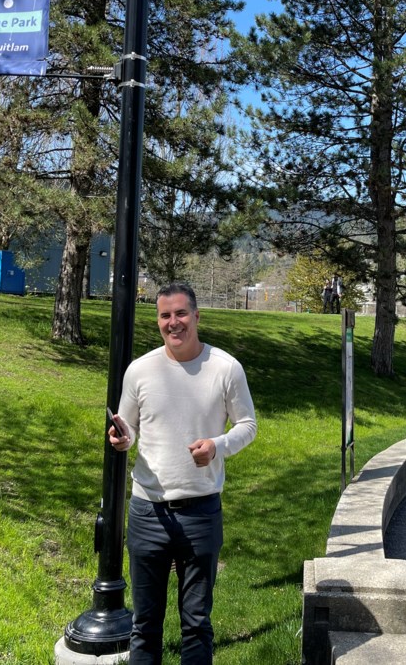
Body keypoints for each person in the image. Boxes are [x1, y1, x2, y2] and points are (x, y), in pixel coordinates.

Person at [108, 282, 257, 665]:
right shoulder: (140, 370)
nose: (173, 323)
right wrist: (124, 438)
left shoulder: (225, 368)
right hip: (147, 510)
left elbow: (247, 425)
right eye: (164, 315)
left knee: (196, 623)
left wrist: (217, 445)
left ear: (196, 316)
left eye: (180, 314)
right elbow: (131, 425)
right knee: (144, 624)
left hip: (201, 511)